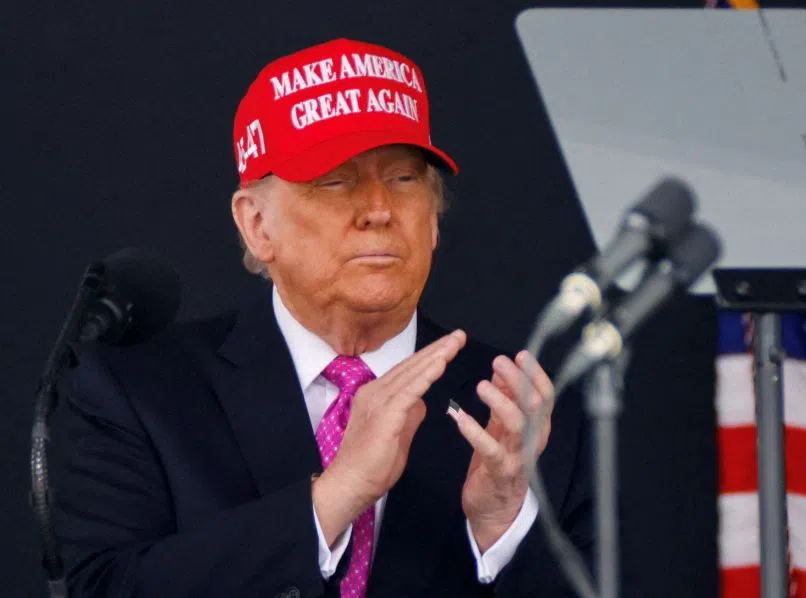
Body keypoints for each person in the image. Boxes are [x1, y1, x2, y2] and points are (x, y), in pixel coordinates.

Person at [53, 38, 595, 597]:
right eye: (335, 181)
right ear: (257, 224)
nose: (380, 210)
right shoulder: (142, 396)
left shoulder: (521, 413)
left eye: (405, 179)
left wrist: (501, 526)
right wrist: (334, 496)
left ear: (433, 219)